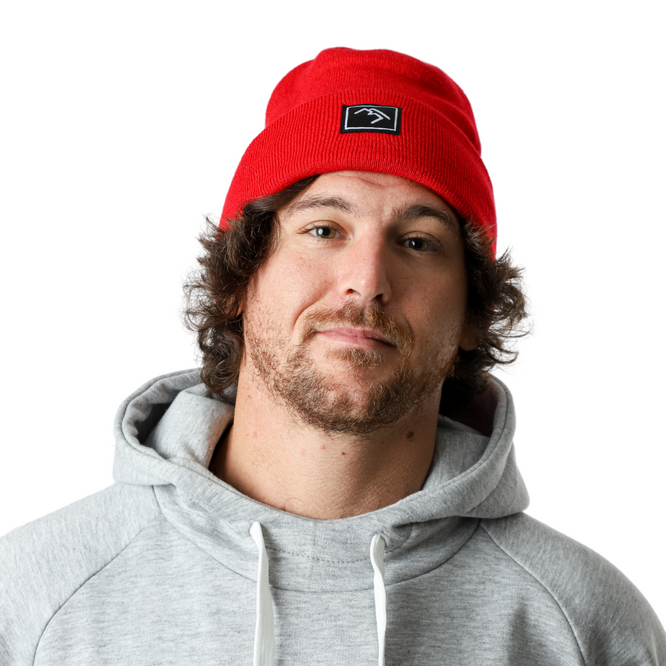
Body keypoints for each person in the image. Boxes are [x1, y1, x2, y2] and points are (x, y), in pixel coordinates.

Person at [1, 47, 664, 666]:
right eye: (324, 229)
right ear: (239, 279)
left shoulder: (584, 626)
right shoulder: (34, 601)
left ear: (472, 314)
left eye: (418, 242)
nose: (367, 280)